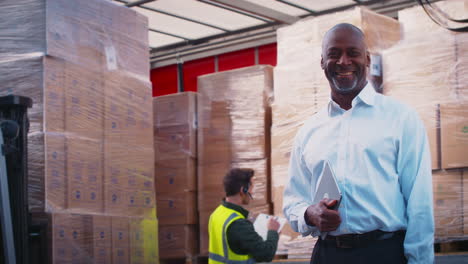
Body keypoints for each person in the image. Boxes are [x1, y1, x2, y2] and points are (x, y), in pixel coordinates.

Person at [282, 23, 434, 264]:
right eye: (333, 54)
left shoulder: (400, 118)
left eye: (352, 52)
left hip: (384, 253)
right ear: (322, 62)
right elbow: (293, 201)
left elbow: (420, 202)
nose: (343, 61)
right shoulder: (308, 131)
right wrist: (309, 214)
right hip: (327, 254)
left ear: (367, 59)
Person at [208, 168, 280, 264]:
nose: (252, 192)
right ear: (243, 190)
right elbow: (266, 254)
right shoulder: (238, 223)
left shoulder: (217, 213)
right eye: (251, 187)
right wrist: (273, 231)